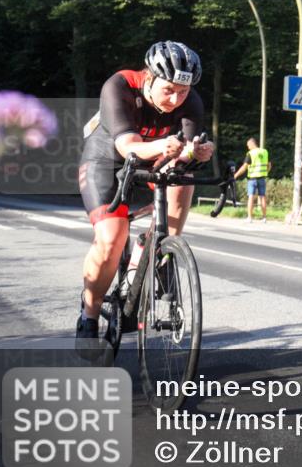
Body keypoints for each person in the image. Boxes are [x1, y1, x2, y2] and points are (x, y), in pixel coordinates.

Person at [76, 41, 215, 346]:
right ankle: (89, 312)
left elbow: (183, 155)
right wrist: (166, 147)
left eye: (183, 92)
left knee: (183, 177)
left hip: (153, 156)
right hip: (106, 160)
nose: (176, 99)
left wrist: (197, 153)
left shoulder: (190, 101)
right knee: (111, 238)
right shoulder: (120, 85)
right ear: (149, 78)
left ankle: (159, 250)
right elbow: (128, 147)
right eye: (169, 90)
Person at [233, 138, 272, 223]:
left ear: (251, 144)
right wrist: (266, 172)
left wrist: (235, 175)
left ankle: (250, 218)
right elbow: (269, 165)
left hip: (252, 179)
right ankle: (264, 218)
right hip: (262, 178)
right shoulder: (264, 152)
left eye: (248, 146)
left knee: (251, 197)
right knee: (262, 197)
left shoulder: (250, 153)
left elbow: (244, 167)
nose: (248, 147)